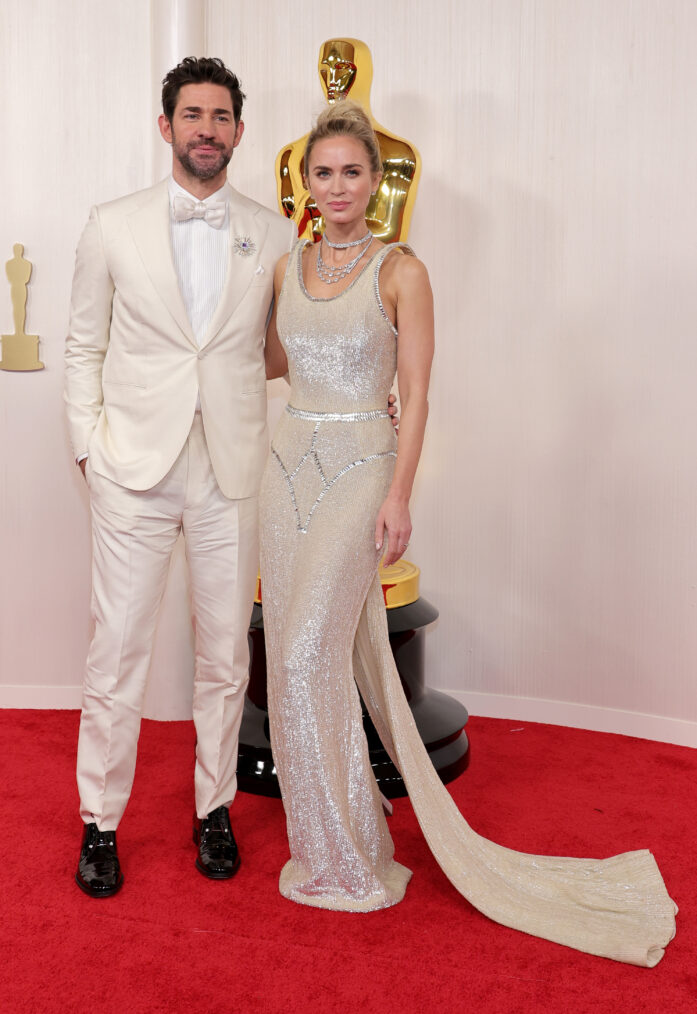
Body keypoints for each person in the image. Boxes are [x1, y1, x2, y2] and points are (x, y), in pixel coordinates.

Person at [259, 100, 677, 966]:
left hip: (357, 468)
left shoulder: (402, 270)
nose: (336, 186)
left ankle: (344, 858)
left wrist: (399, 493)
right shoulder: (285, 264)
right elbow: (267, 359)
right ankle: (345, 840)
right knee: (310, 658)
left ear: (377, 182)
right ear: (306, 183)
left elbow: (415, 397)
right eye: (322, 172)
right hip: (282, 466)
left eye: (351, 171)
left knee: (300, 656)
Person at [64, 57, 296, 897]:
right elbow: (84, 345)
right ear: (165, 127)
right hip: (130, 468)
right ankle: (100, 823)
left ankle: (214, 808)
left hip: (231, 469)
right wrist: (90, 448)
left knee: (225, 655)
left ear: (239, 129)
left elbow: (278, 349)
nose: (206, 128)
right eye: (191, 115)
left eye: (220, 116)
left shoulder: (274, 235)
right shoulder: (111, 224)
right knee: (116, 649)